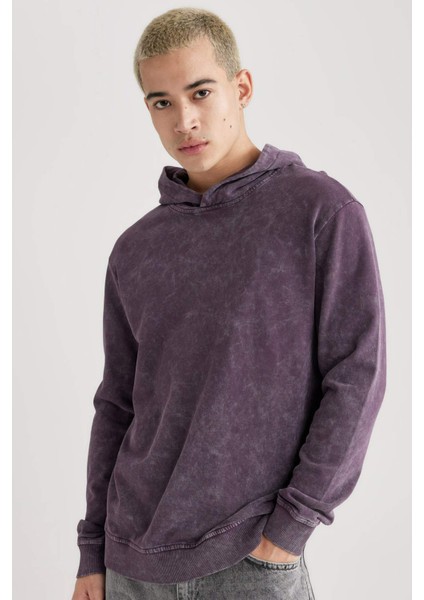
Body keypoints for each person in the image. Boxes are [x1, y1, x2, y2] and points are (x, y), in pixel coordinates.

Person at [71, 7, 386, 600]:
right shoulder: (135, 249)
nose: (184, 120)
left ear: (241, 88)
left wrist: (290, 529)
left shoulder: (320, 212)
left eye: (201, 92)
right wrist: (93, 553)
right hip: (130, 565)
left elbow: (356, 376)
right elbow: (117, 405)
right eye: (162, 102)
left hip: (250, 558)